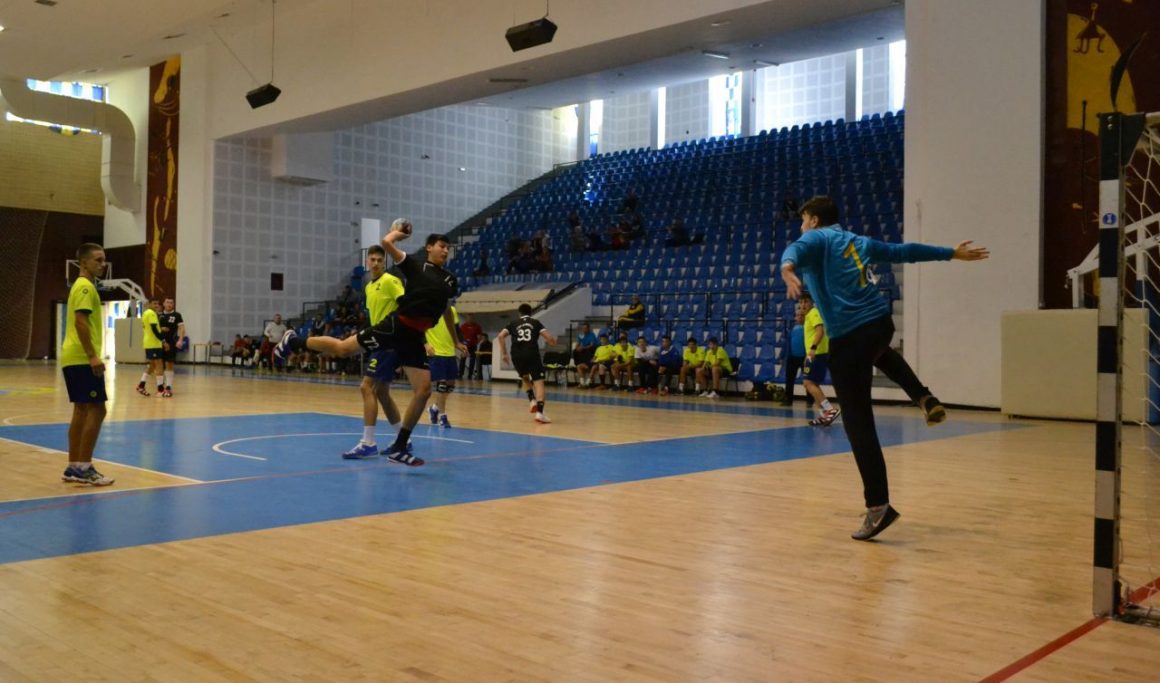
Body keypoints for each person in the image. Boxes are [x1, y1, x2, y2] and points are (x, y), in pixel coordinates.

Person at [780, 195, 989, 540]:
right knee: (880, 351)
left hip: (849, 337)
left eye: (803, 220)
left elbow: (794, 249)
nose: (801, 226)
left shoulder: (815, 238)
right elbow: (904, 251)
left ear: (814, 220)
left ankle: (878, 507)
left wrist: (787, 269)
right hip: (880, 323)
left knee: (859, 424)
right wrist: (950, 252)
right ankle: (923, 396)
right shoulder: (857, 241)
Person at [276, 220, 459, 467]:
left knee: (423, 390)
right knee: (343, 349)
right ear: (429, 248)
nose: (446, 251)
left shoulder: (450, 280)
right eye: (441, 246)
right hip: (397, 327)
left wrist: (454, 338)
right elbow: (386, 242)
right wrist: (399, 234)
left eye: (448, 248)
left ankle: (399, 447)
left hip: (414, 336)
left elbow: (446, 309)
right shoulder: (415, 265)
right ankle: (293, 340)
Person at [341, 244, 405, 459]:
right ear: (367, 262)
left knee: (366, 387)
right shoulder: (369, 286)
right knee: (382, 393)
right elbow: (374, 316)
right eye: (373, 260)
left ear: (384, 263)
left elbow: (405, 308)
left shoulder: (391, 281)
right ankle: (404, 440)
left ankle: (368, 443)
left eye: (380, 260)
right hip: (378, 341)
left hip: (389, 342)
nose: (376, 263)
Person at [60, 243, 114, 486]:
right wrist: (92, 355)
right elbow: (81, 323)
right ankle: (84, 466)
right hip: (82, 358)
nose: (102, 265)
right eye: (98, 260)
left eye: (103, 260)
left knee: (81, 410)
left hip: (73, 356)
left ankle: (74, 466)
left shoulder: (82, 286)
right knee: (97, 409)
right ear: (83, 263)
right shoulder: (84, 287)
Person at [496, 303, 557, 423]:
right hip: (531, 354)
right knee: (539, 383)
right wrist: (553, 342)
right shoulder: (535, 322)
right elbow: (549, 338)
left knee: (524, 377)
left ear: (519, 313)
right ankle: (540, 413)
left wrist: (504, 353)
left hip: (517, 355)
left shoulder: (513, 323)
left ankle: (532, 400)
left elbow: (500, 336)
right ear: (531, 312)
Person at [801, 293, 838, 426]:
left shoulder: (814, 313)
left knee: (808, 383)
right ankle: (825, 414)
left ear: (811, 302)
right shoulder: (808, 316)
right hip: (815, 354)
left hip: (817, 354)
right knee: (812, 384)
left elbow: (820, 331)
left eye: (805, 302)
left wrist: (813, 348)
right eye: (801, 302)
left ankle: (830, 410)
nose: (803, 305)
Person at [426, 304, 466, 428]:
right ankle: (442, 417)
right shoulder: (428, 309)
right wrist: (426, 344)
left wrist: (460, 343)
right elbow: (419, 329)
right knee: (442, 385)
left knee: (450, 385)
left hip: (450, 351)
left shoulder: (451, 309)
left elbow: (456, 328)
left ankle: (434, 408)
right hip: (435, 351)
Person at [137, 299, 166, 397]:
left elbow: (152, 328)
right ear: (149, 304)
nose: (157, 305)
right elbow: (154, 330)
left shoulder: (146, 313)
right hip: (153, 343)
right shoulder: (152, 314)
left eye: (158, 303)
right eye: (154, 303)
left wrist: (160, 329)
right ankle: (160, 390)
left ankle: (141, 385)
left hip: (149, 343)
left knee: (152, 366)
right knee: (159, 365)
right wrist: (163, 341)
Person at [158, 297, 185, 397]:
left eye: (171, 303)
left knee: (169, 364)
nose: (169, 304)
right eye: (167, 302)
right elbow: (155, 329)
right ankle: (160, 387)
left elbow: (182, 328)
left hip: (171, 343)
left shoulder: (177, 315)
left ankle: (168, 386)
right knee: (159, 365)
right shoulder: (159, 315)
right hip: (159, 342)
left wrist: (180, 339)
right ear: (164, 304)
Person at [782, 304, 807, 406]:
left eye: (802, 315)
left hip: (805, 358)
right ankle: (788, 400)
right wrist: (783, 356)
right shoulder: (791, 330)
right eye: (798, 315)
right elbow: (786, 344)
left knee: (807, 380)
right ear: (795, 317)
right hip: (792, 358)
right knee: (789, 379)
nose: (800, 317)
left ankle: (810, 400)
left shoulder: (808, 329)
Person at [572, 322, 598, 388]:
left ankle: (586, 364)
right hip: (583, 350)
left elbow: (591, 345)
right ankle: (582, 383)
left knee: (587, 350)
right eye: (583, 328)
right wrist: (577, 348)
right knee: (575, 351)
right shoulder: (580, 335)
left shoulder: (592, 335)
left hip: (590, 350)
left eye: (585, 328)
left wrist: (583, 347)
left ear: (588, 328)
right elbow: (577, 344)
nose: (584, 330)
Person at [458, 313, 484, 379]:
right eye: (469, 317)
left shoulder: (477, 326)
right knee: (462, 360)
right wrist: (462, 344)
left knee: (472, 361)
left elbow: (479, 337)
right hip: (465, 346)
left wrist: (476, 343)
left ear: (473, 318)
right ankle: (460, 374)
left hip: (473, 346)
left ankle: (469, 375)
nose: (470, 319)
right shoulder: (463, 326)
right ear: (466, 318)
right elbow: (460, 336)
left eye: (472, 318)